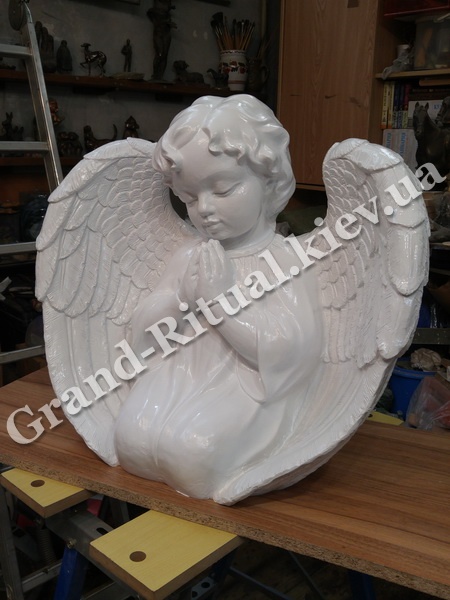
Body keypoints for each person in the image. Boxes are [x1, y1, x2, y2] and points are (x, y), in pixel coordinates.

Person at [114, 95, 325, 500]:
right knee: (132, 440)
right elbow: (146, 335)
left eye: (223, 189)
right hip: (179, 377)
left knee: (192, 456)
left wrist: (218, 302)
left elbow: (291, 353)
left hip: (246, 391)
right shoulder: (189, 256)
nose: (205, 209)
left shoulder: (283, 261)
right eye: (190, 198)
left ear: (270, 181)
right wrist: (177, 300)